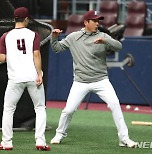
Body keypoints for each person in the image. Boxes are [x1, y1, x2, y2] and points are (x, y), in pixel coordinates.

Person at [50, 10, 137, 148]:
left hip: (101, 80)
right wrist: (54, 37)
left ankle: (124, 138)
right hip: (80, 81)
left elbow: (119, 46)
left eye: (98, 21)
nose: (97, 23)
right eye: (94, 21)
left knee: (115, 104)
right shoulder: (74, 37)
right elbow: (57, 48)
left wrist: (106, 40)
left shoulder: (103, 35)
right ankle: (59, 134)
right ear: (86, 22)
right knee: (68, 110)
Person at [0, 7, 50, 151]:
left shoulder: (5, 36)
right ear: (26, 19)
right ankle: (40, 141)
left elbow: (2, 58)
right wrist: (39, 73)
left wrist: (13, 57)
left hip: (15, 78)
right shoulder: (33, 34)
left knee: (8, 110)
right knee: (40, 108)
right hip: (32, 77)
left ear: (15, 19)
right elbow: (36, 55)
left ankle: (6, 142)